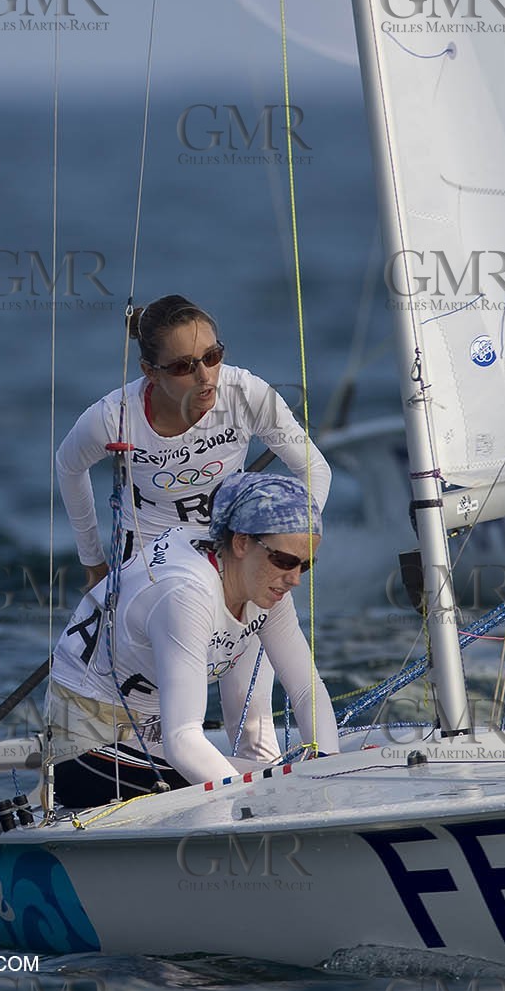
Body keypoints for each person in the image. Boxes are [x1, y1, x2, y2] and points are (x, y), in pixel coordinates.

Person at [41, 472, 339, 809]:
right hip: (86, 749)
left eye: (306, 565)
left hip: (153, 740)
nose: (295, 579)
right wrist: (253, 808)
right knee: (273, 792)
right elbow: (183, 739)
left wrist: (329, 768)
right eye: (285, 561)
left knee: (287, 782)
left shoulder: (265, 585)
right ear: (241, 543)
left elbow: (305, 690)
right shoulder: (186, 592)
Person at [56, 294, 331, 591]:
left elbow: (314, 468)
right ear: (150, 372)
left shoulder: (246, 393)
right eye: (182, 366)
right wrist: (93, 564)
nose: (205, 377)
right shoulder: (112, 418)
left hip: (232, 549)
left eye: (212, 357)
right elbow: (68, 467)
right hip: (148, 559)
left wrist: (289, 544)